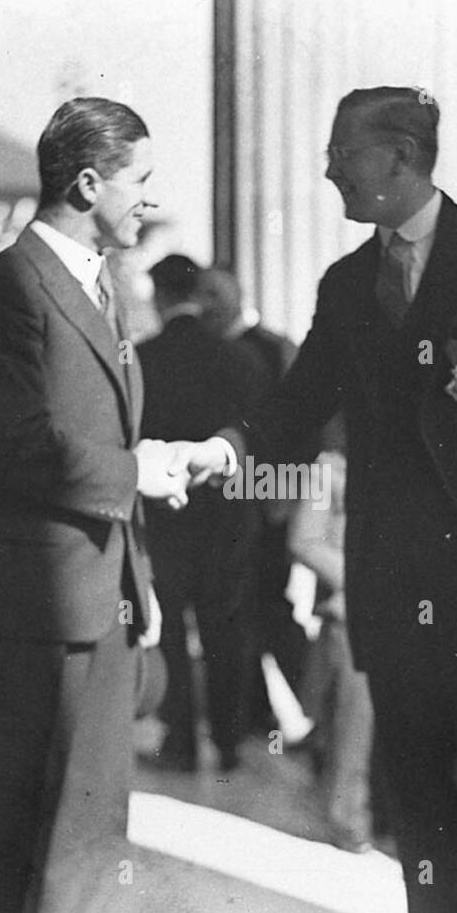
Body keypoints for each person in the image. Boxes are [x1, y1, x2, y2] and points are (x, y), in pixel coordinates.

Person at [177, 86, 457, 913]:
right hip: (393, 579)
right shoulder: (345, 284)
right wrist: (231, 445)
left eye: (345, 151)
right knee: (415, 781)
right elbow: (299, 405)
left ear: (401, 157)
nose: (330, 167)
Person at [0, 96, 184, 913]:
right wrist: (137, 472)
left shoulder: (95, 286)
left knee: (85, 827)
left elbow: (95, 435)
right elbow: (18, 447)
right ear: (87, 182)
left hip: (96, 597)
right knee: (4, 825)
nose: (149, 198)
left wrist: (136, 578)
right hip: (30, 614)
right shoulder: (8, 290)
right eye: (138, 181)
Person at [137, 254, 270, 773]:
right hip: (231, 510)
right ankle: (230, 740)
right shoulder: (241, 359)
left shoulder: (143, 359)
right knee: (226, 626)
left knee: (170, 626)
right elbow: (261, 435)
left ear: (159, 294)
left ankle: (181, 742)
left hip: (167, 507)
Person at [196, 267, 309, 738]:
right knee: (245, 608)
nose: (207, 304)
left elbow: (300, 424)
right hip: (234, 505)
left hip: (268, 500)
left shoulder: (273, 348)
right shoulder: (215, 352)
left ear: (239, 294)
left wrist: (284, 495)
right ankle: (257, 714)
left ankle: (313, 704)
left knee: (269, 606)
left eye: (215, 293)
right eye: (201, 294)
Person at [288, 418, 376, 854]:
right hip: (353, 615)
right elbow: (303, 540)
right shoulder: (329, 469)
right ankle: (347, 822)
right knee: (353, 726)